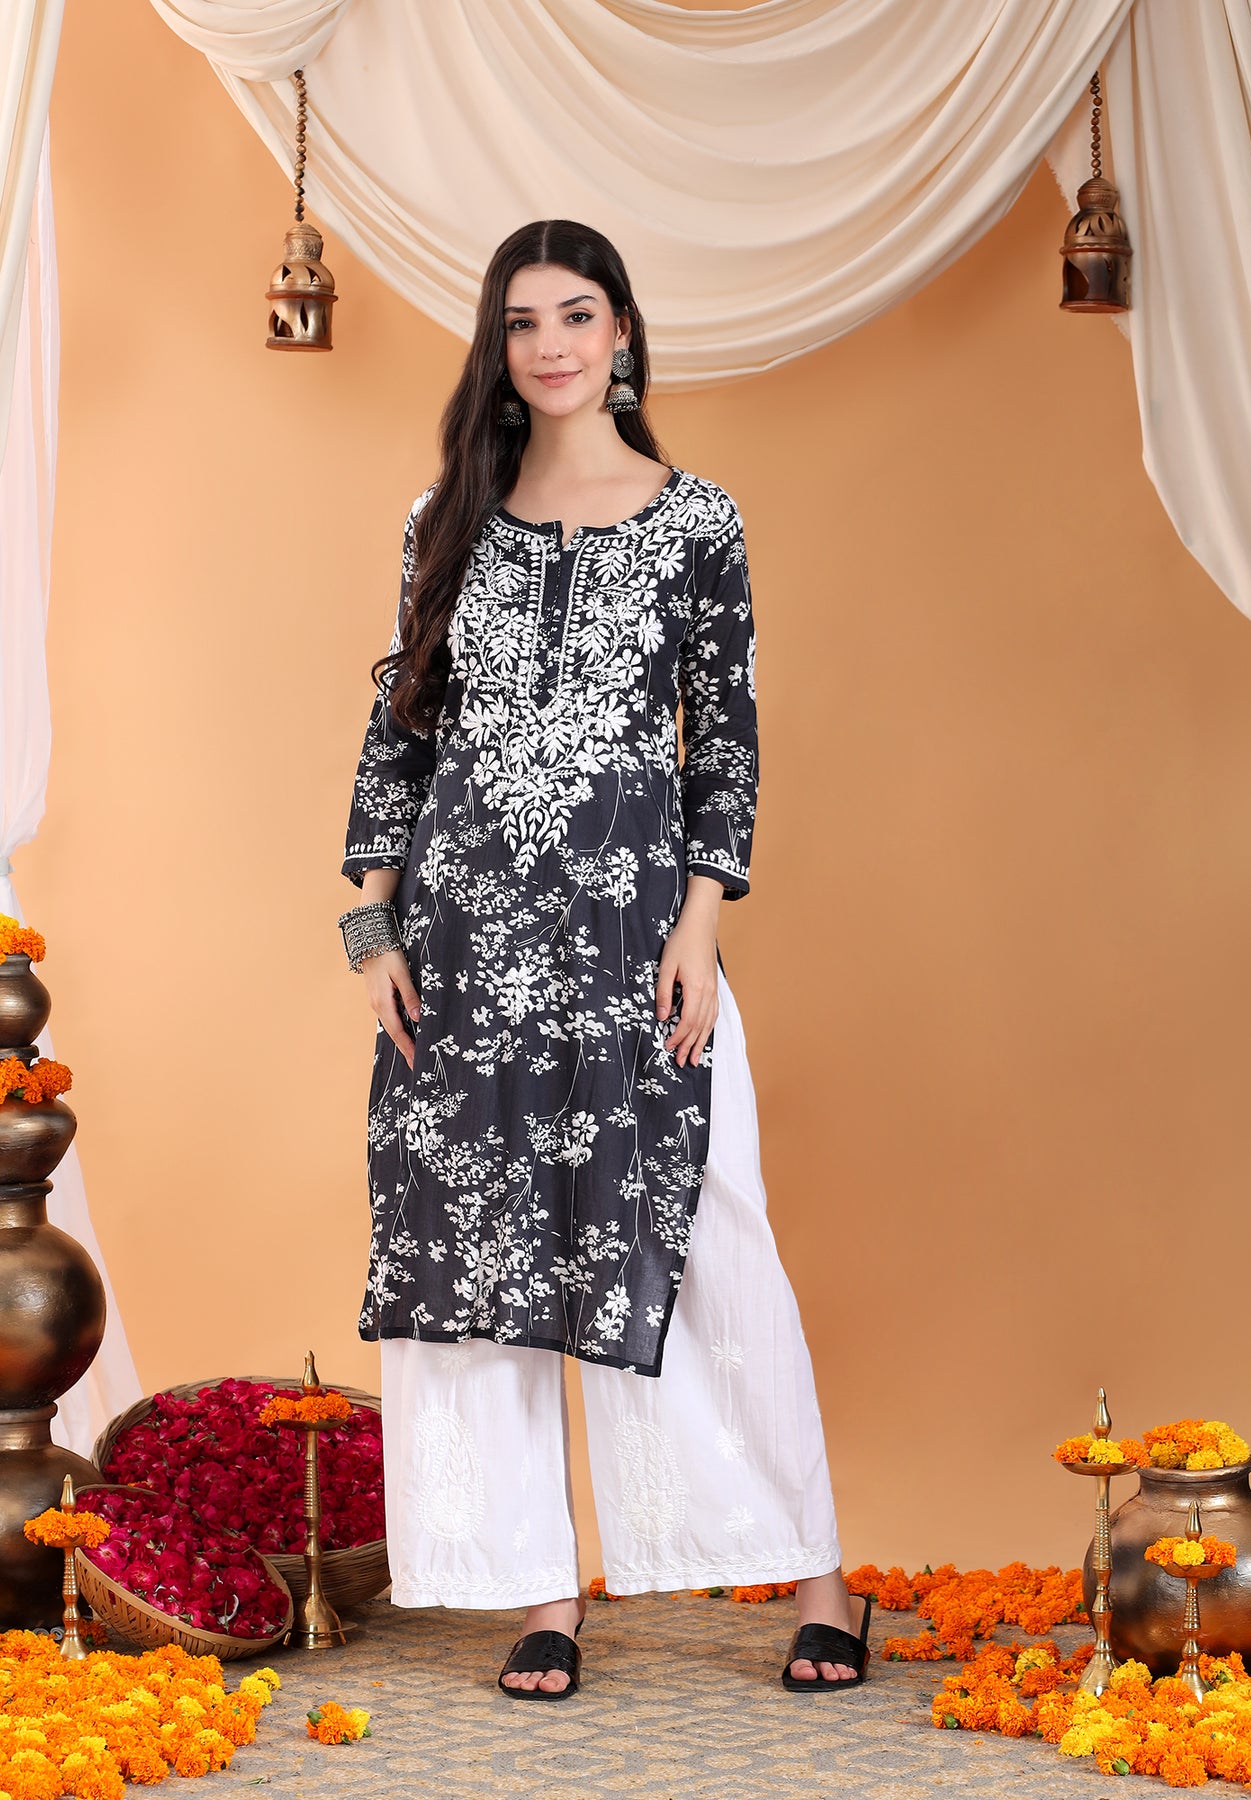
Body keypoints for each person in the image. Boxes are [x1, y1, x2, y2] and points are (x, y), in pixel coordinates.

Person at [339, 220, 869, 1699]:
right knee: (480, 1248)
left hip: (636, 940)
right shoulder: (445, 517)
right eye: (522, 322)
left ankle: (816, 1573)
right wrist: (371, 925)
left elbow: (724, 740)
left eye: (576, 315)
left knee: (704, 1236)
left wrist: (703, 920)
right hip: (463, 945)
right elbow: (401, 728)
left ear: (623, 329)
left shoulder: (696, 522)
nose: (551, 346)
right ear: (496, 346)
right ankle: (537, 1589)